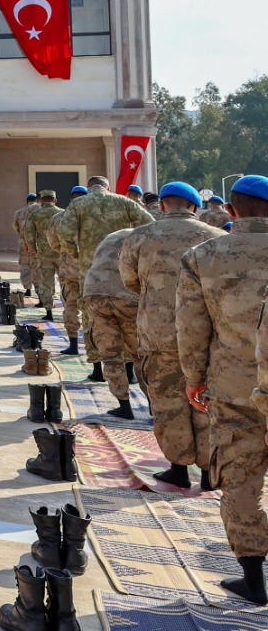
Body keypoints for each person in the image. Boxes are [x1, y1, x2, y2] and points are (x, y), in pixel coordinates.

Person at [180, 175, 268, 603]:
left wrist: (193, 378)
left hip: (234, 388)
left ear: (231, 210)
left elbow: (191, 326)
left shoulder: (203, 256)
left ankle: (254, 580)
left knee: (241, 482)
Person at [120, 179, 224, 492]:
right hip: (208, 336)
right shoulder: (217, 237)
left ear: (163, 205)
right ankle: (209, 473)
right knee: (207, 401)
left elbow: (129, 281)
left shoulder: (140, 236)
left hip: (158, 333)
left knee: (167, 402)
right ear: (195, 207)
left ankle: (178, 469)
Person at [56, 175, 153, 355]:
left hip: (90, 268)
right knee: (127, 314)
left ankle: (96, 362)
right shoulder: (124, 201)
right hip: (122, 266)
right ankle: (129, 364)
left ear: (89, 188)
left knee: (91, 314)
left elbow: (64, 232)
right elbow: (149, 224)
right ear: (108, 188)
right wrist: (135, 248)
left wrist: (75, 253)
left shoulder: (78, 204)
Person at [80, 227, 140, 418]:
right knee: (141, 353)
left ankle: (124, 405)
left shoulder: (112, 236)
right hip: (127, 297)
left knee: (110, 352)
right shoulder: (147, 238)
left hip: (95, 292)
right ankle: (154, 406)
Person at [24, 191, 66, 318]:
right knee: (65, 283)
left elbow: (29, 235)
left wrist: (34, 250)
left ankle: (49, 311)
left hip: (43, 254)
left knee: (46, 283)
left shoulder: (35, 214)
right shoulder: (63, 213)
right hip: (61, 254)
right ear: (55, 200)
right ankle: (68, 311)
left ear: (41, 200)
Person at [13, 193, 39, 295]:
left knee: (25, 266)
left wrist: (22, 235)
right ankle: (39, 290)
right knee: (37, 266)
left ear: (27, 201)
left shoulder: (19, 213)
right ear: (36, 200)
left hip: (23, 243)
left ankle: (27, 289)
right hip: (38, 243)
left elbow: (16, 227)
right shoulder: (40, 211)